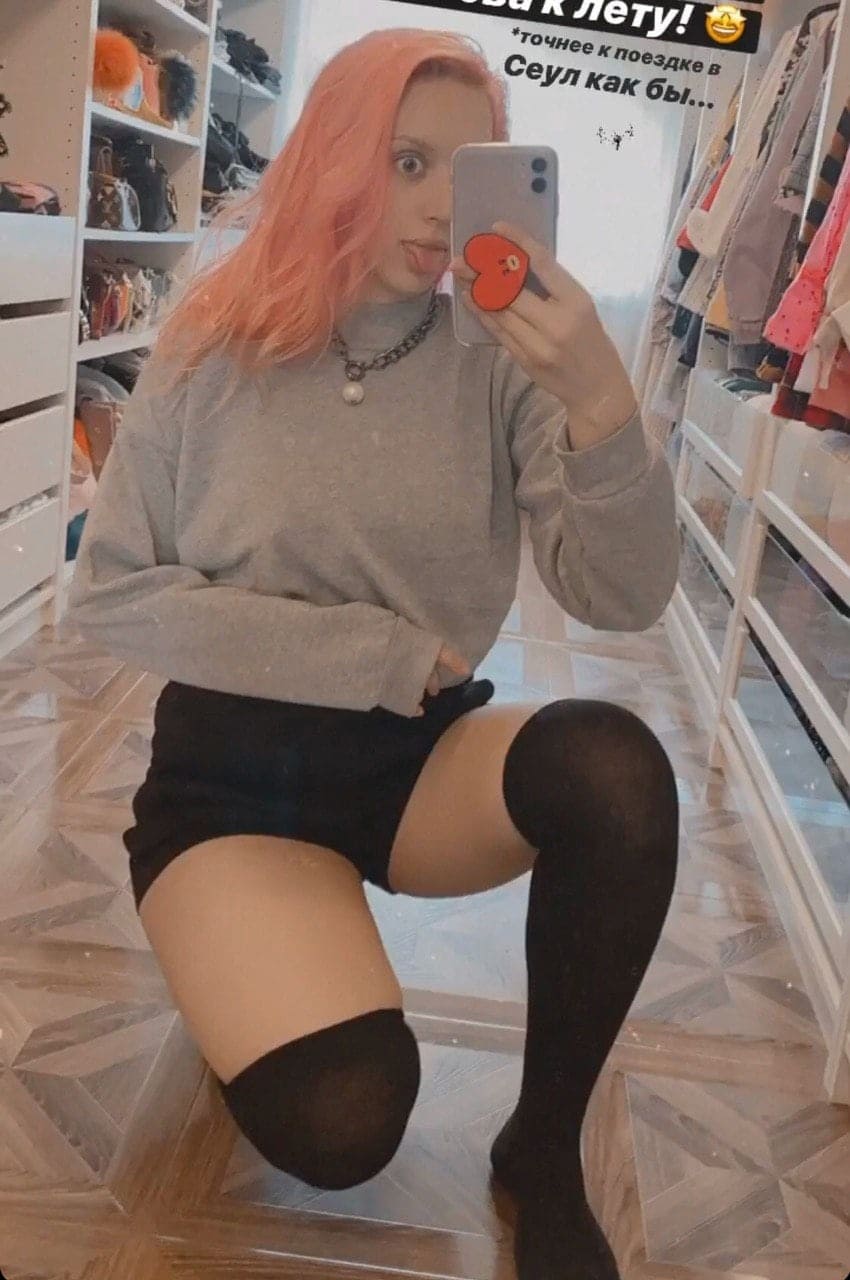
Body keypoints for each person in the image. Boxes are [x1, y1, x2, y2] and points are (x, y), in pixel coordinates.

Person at [65, 27, 680, 1280]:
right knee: (342, 1119)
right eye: (407, 161)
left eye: (471, 166)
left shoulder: (499, 363)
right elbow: (114, 597)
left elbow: (619, 595)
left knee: (614, 770)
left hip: (413, 771)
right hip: (230, 788)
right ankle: (255, 966)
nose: (445, 205)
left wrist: (600, 402)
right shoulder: (209, 343)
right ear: (336, 159)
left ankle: (542, 1147)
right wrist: (371, 653)